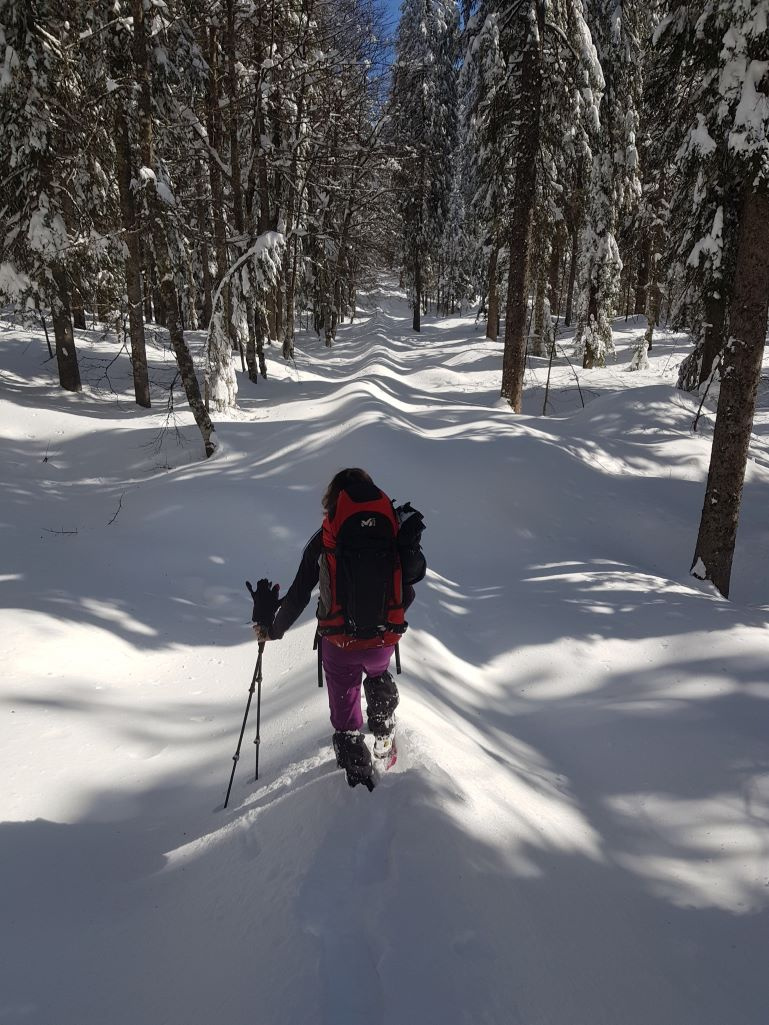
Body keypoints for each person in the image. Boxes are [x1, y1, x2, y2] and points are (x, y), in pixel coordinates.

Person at [251, 468, 426, 791]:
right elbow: (411, 583)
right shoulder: (391, 528)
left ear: (334, 499)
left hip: (339, 642)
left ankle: (358, 783)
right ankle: (384, 734)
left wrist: (274, 630)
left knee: (344, 700)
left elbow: (300, 593)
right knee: (377, 673)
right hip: (385, 636)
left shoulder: (327, 535)